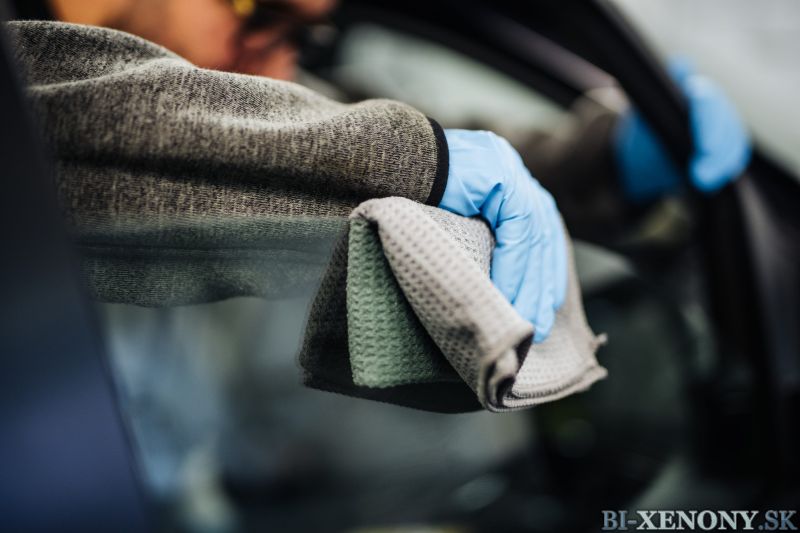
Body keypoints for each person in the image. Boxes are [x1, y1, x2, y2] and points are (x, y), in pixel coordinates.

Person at [6, 0, 750, 344]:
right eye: (260, 8)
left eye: (305, 35)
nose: (278, 64)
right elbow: (63, 127)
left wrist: (616, 155)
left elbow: (447, 143)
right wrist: (408, 163)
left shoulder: (251, 72)